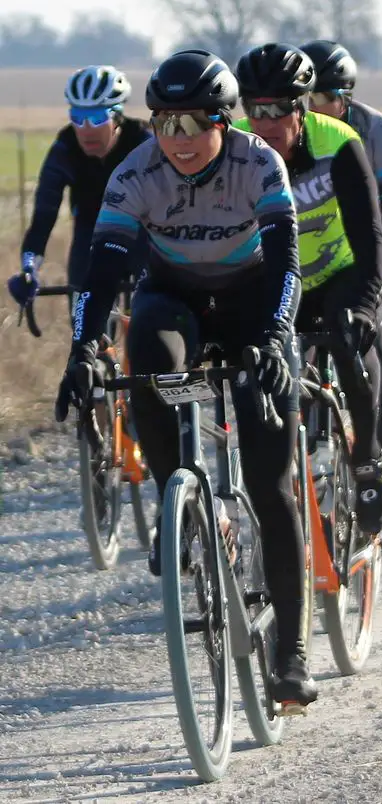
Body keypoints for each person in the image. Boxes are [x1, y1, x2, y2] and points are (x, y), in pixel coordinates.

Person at [53, 49, 317, 710]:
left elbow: (289, 265)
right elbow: (102, 268)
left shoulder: (260, 163)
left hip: (255, 302)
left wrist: (276, 338)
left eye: (194, 123)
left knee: (270, 481)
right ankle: (185, 506)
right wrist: (83, 348)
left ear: (224, 120)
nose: (178, 141)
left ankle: (291, 651)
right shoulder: (135, 171)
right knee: (148, 356)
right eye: (164, 124)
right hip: (175, 301)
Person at [234, 42, 382, 533]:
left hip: (338, 274)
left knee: (349, 337)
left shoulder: (338, 141)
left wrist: (369, 304)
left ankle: (371, 462)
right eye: (255, 110)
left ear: (303, 105)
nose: (266, 122)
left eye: (280, 109)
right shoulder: (238, 149)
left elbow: (371, 236)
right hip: (275, 279)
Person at [299, 39, 382, 476]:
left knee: (369, 335)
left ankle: (380, 454)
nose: (314, 108)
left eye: (325, 98)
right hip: (311, 256)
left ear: (346, 98)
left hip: (366, 248)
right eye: (307, 98)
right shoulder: (290, 132)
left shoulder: (377, 131)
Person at [7, 66, 151, 314]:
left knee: (151, 317)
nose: (86, 129)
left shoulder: (144, 145)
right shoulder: (65, 150)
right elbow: (43, 217)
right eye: (77, 117)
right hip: (91, 234)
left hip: (144, 233)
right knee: (84, 322)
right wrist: (29, 268)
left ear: (117, 118)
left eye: (96, 118)